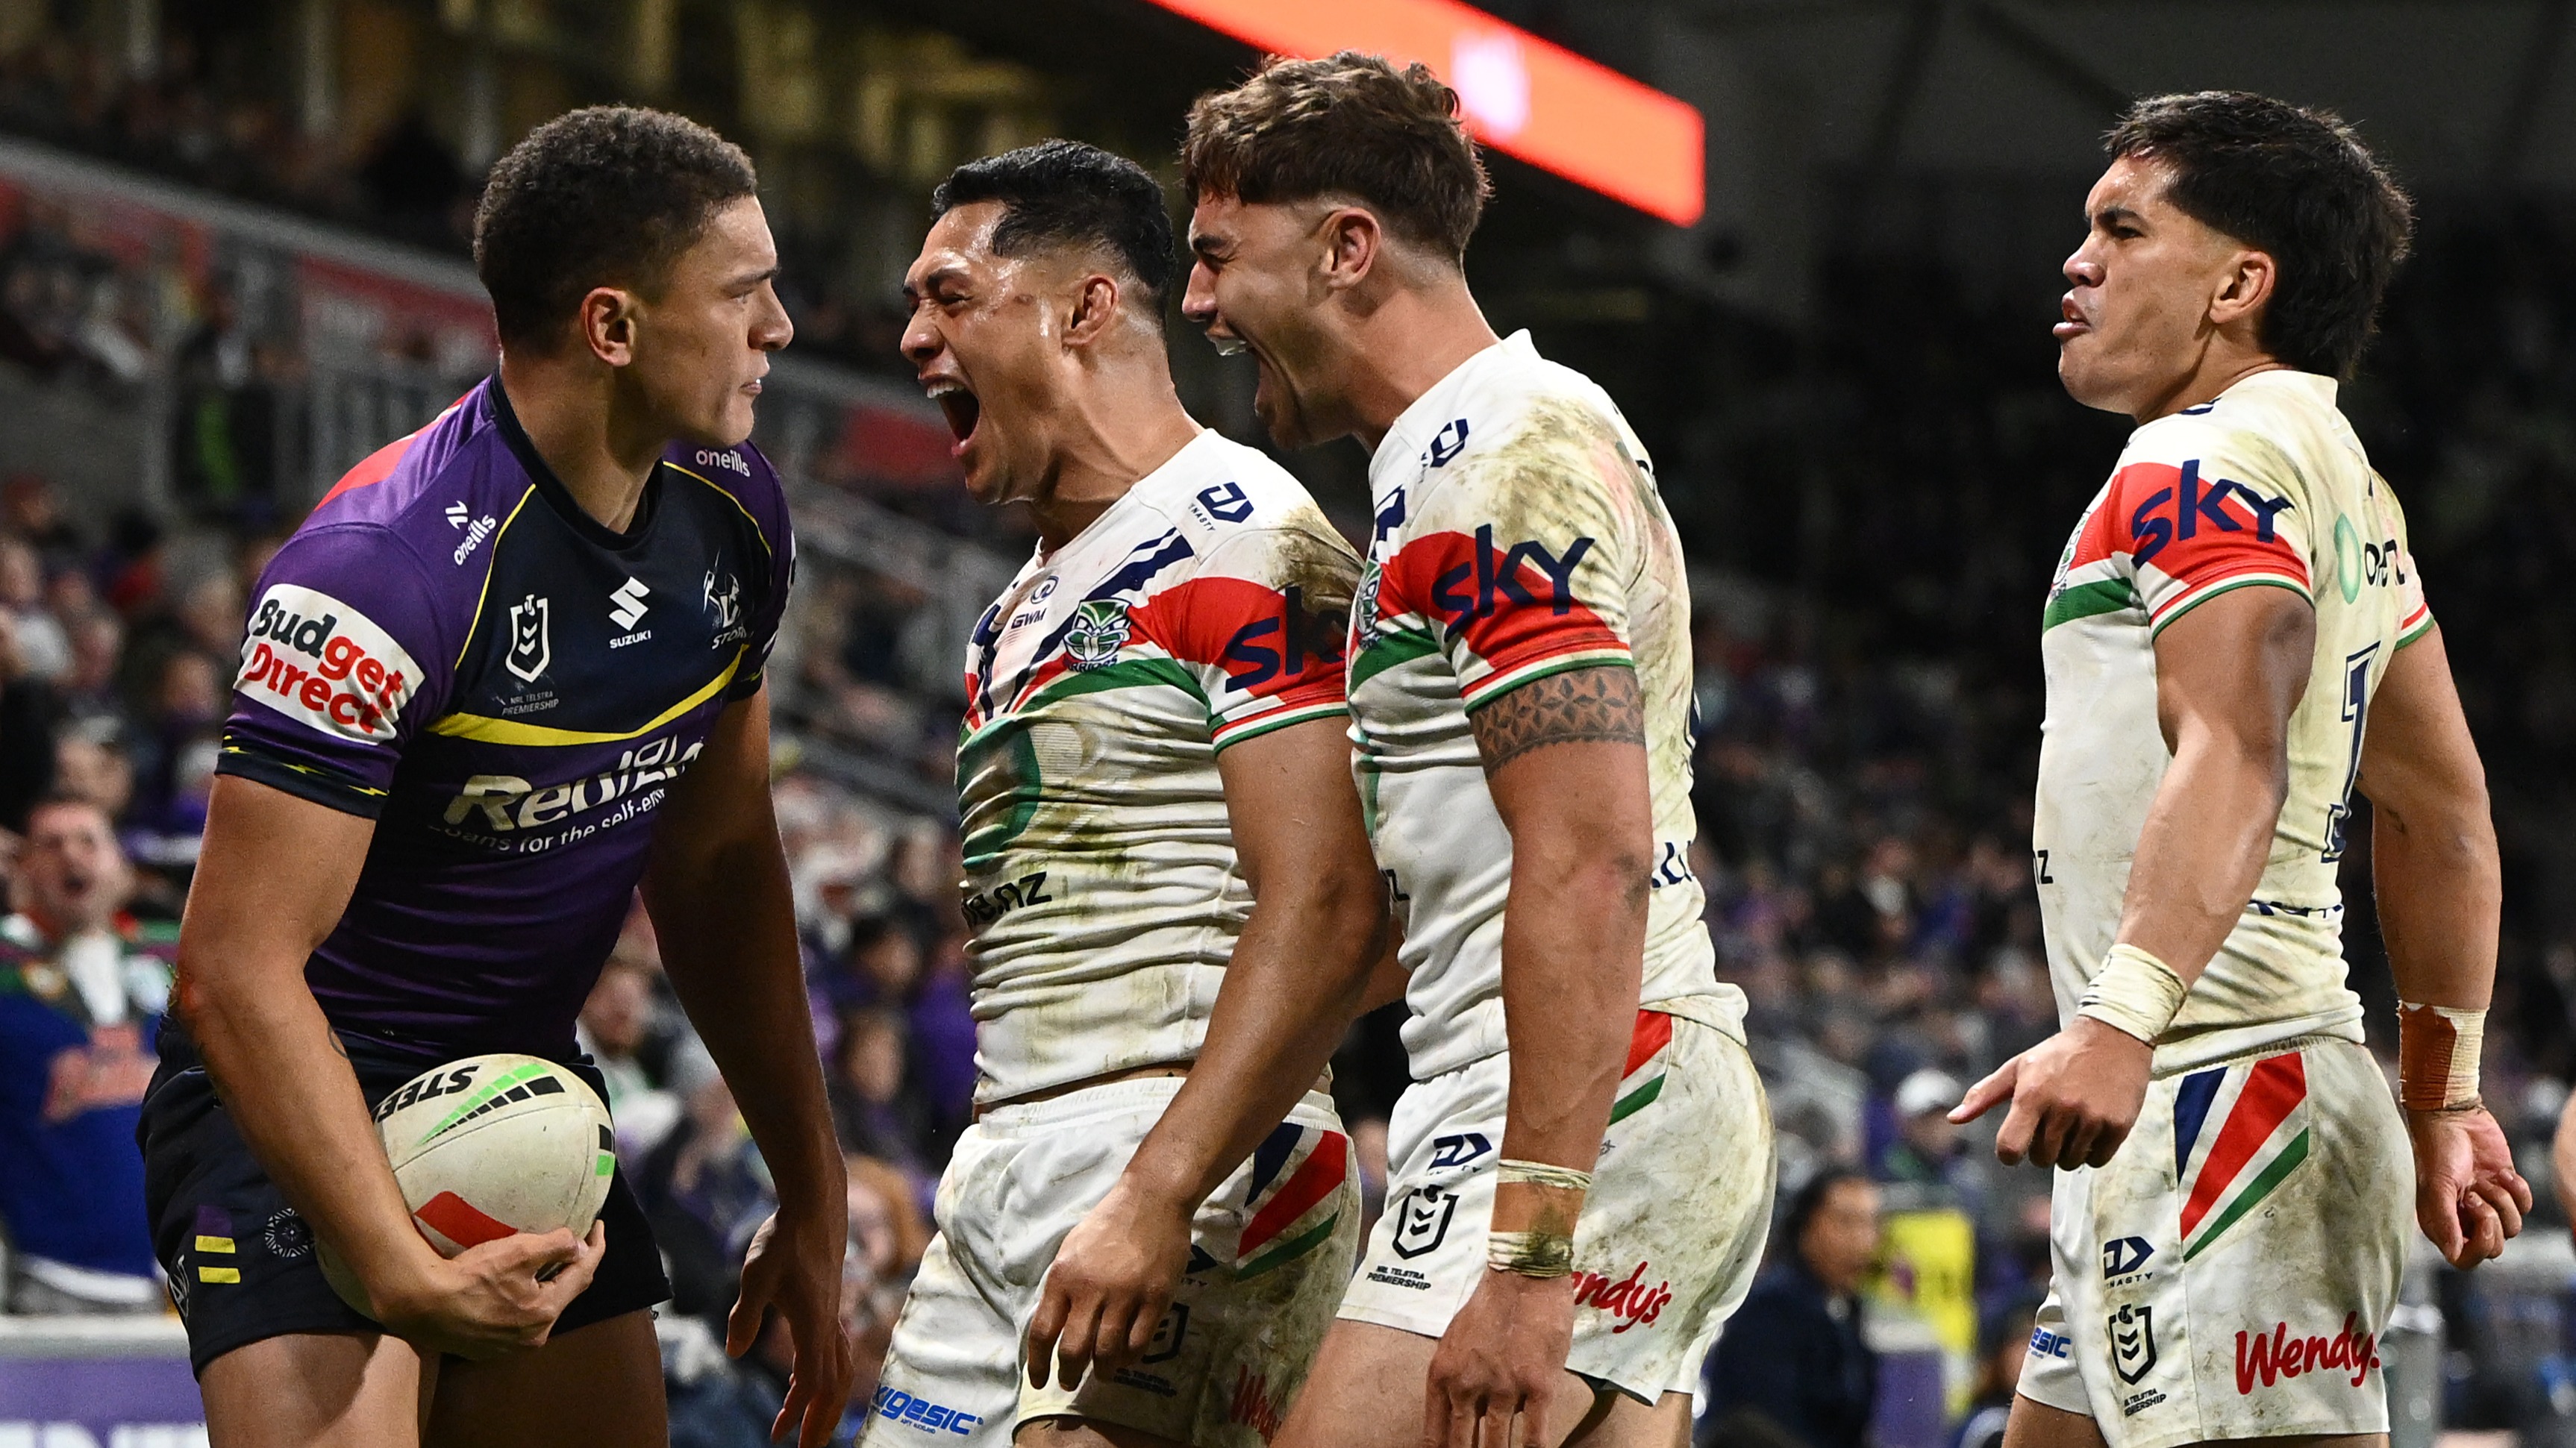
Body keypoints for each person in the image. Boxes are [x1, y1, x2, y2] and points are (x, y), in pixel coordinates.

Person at [139, 107, 851, 1448]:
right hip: (293, 1101)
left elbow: (715, 865)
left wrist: (810, 1189)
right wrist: (395, 1269)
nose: (782, 332)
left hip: (517, 1095)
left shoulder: (735, 513)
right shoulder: (376, 572)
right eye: (746, 296)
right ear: (614, 326)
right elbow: (232, 974)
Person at [1173, 52, 1775, 1448]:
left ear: (1344, 248)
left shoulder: (1496, 463)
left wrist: (1525, 1259)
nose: (1196, 301)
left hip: (1575, 1101)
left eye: (1216, 256)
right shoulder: (1469, 455)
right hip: (1599, 1091)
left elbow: (1589, 856)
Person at [1948, 91, 2533, 1448]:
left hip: (2222, 1101)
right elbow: (2439, 812)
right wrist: (2441, 1096)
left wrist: (2118, 1018)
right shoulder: (2345, 483)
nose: (2074, 261)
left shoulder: (2194, 459)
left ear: (2237, 284)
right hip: (2198, 1100)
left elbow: (2233, 744)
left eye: (2119, 227)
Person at [865, 140, 1385, 1448]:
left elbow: (1332, 904)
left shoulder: (1245, 533)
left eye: (949, 296)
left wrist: (1162, 1186)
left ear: (1087, 307)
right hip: (1004, 1161)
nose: (914, 334)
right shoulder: (1005, 618)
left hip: (1189, 1150)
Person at [0, 795, 173, 1314]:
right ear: (23, 868)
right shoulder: (6, 968)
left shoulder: (178, 957)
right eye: (51, 845)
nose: (71, 857)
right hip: (51, 1280)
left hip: (179, 1281)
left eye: (88, 842)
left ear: (122, 866)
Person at [1701, 1170, 1883, 1448]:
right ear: (1806, 1226)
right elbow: (1760, 1426)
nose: (1861, 1241)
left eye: (1870, 1224)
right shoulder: (1770, 1308)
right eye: (1846, 1222)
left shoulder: (1847, 1307)